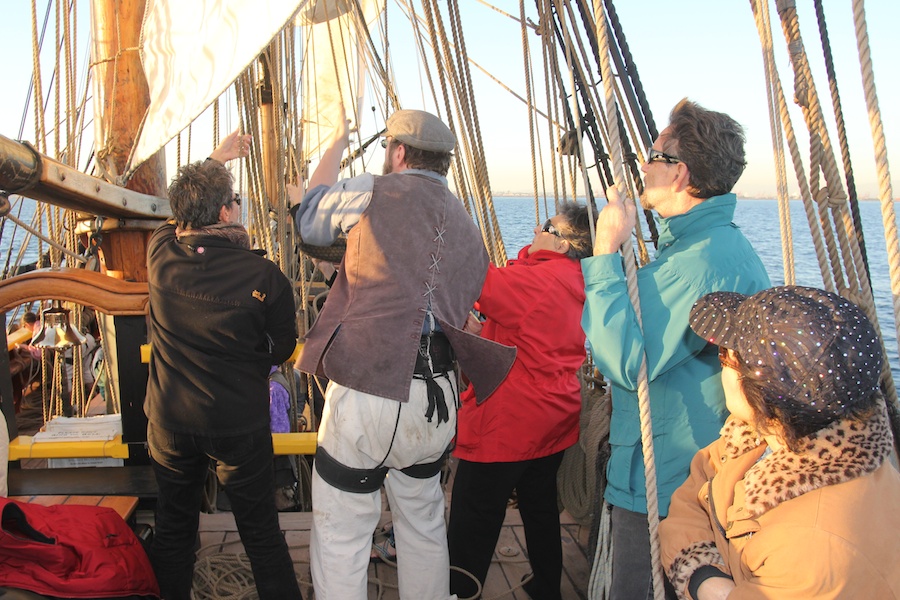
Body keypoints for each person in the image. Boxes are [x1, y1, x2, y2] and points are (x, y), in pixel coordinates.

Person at [290, 108, 515, 600]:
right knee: (423, 521)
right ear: (445, 163)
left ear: (397, 152)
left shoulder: (371, 189)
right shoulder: (468, 224)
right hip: (436, 400)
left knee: (343, 530)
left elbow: (308, 223)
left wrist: (335, 143)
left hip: (370, 391)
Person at [581, 98, 771, 599]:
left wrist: (603, 252)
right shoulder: (710, 248)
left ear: (680, 173)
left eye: (655, 155)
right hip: (681, 472)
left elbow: (624, 362)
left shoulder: (697, 263)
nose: (643, 165)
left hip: (663, 485)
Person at [661, 285, 900, 599]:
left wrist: (708, 586)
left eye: (725, 356)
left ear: (758, 392)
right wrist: (705, 573)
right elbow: (694, 496)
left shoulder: (813, 547)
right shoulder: (766, 436)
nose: (720, 364)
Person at [144, 129, 303, 599]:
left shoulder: (160, 256)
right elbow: (280, 348)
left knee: (174, 530)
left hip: (171, 423)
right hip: (237, 423)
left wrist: (216, 157)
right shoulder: (263, 276)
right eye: (233, 199)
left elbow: (175, 213)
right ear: (225, 213)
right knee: (260, 534)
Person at [448, 202, 597, 600]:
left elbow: (473, 281)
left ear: (565, 245)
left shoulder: (541, 280)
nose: (536, 227)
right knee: (540, 507)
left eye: (548, 226)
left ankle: (460, 590)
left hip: (510, 422)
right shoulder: (579, 281)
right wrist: (486, 331)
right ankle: (547, 586)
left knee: (473, 516)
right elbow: (534, 339)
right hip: (553, 419)